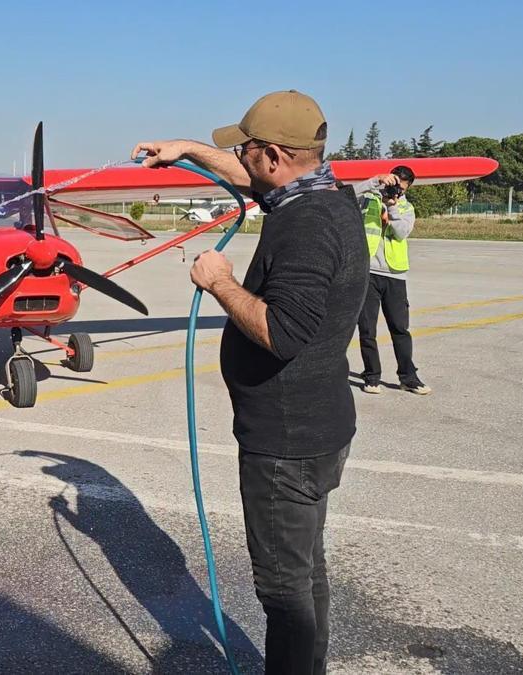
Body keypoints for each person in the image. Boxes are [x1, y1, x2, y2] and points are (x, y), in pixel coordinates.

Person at [132, 90, 367, 675]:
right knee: (307, 570)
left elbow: (283, 332)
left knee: (284, 590)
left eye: (249, 151)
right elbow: (253, 177)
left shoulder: (305, 227)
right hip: (318, 425)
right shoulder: (326, 193)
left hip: (286, 442)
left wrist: (218, 281)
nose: (244, 162)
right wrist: (185, 149)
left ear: (272, 155)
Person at [352, 166, 431, 395]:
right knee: (367, 328)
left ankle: (408, 377)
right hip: (367, 271)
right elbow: (345, 197)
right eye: (394, 184)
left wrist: (393, 206)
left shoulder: (406, 207)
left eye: (401, 188)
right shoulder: (368, 197)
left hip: (394, 274)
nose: (395, 191)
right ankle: (372, 376)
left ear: (407, 189)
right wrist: (374, 182)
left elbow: (401, 232)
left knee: (400, 328)